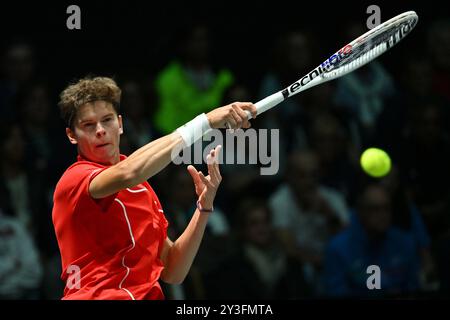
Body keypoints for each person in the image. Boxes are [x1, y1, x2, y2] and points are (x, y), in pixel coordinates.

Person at [52, 76, 256, 300]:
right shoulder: (75, 180)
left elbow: (172, 269)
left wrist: (203, 207)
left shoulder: (142, 189)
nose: (100, 130)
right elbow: (128, 172)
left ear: (120, 124)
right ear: (72, 136)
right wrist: (204, 122)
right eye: (88, 125)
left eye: (107, 120)